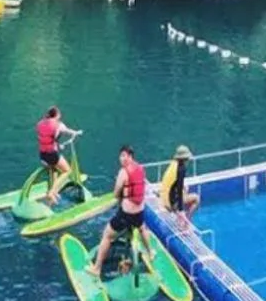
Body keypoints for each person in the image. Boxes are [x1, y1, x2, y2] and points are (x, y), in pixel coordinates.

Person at [87, 145, 152, 275]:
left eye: (124, 156)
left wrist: (121, 194)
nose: (121, 159)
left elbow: (116, 193)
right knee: (141, 227)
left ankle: (96, 268)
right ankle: (150, 252)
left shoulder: (123, 172)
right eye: (120, 156)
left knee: (107, 236)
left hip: (126, 214)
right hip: (139, 211)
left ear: (130, 156)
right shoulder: (140, 168)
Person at [36, 106, 81, 204]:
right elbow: (68, 131)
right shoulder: (59, 125)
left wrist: (58, 145)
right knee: (67, 171)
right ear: (57, 115)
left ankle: (52, 196)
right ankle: (51, 192)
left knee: (54, 169)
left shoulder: (39, 124)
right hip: (52, 155)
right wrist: (76, 133)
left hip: (42, 155)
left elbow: (47, 139)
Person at [159, 144, 200, 221]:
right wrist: (181, 211)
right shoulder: (181, 169)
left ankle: (181, 215)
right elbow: (179, 190)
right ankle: (187, 220)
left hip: (163, 196)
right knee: (196, 199)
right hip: (170, 202)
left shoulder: (173, 163)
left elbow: (174, 183)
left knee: (185, 190)